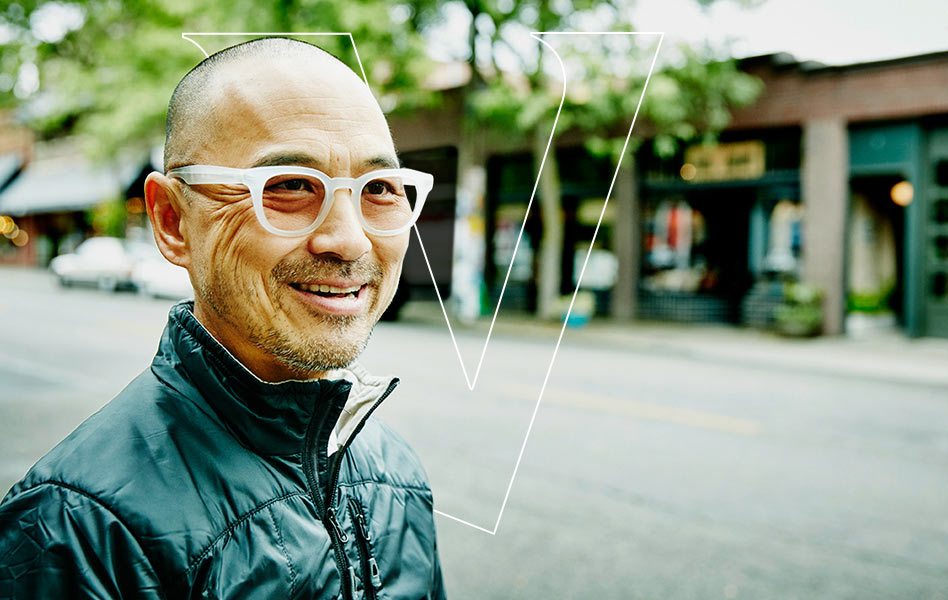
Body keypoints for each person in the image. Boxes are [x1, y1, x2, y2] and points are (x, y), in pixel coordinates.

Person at [0, 37, 445, 599]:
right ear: (171, 220)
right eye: (288, 186)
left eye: (379, 188)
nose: (349, 240)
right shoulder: (80, 528)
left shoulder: (394, 472)